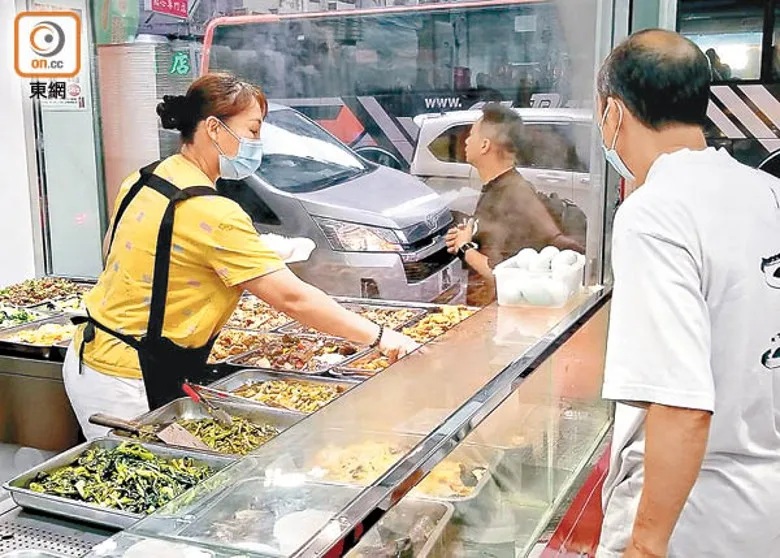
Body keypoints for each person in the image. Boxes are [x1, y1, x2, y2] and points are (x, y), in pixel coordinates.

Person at [63, 73, 418, 439]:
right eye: (251, 131)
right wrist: (379, 337)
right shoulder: (213, 212)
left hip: (92, 356)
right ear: (214, 129)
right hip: (127, 379)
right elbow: (292, 298)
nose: (257, 143)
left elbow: (116, 249)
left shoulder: (144, 177)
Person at [596, 29, 780, 557]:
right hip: (762, 513)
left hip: (693, 519)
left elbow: (681, 403)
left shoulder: (656, 212)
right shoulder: (765, 191)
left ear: (614, 112)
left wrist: (645, 546)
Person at [444, 103, 585, 306]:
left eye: (471, 134)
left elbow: (500, 271)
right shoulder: (501, 187)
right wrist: (467, 237)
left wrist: (465, 247)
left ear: (485, 145)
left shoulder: (511, 195)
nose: (465, 141)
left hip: (501, 318)